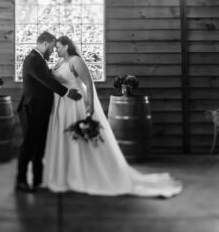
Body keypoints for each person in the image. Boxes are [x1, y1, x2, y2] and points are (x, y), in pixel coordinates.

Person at [43, 36, 182, 198]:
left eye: (58, 47)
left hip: (76, 105)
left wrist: (91, 107)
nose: (56, 50)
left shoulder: (75, 61)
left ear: (67, 46)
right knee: (66, 139)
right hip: (63, 104)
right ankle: (68, 171)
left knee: (79, 139)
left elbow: (88, 83)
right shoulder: (60, 62)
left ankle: (85, 172)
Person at [16, 31, 82, 193]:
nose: (53, 52)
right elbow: (46, 80)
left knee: (39, 146)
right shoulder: (33, 59)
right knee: (29, 145)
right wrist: (67, 93)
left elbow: (48, 78)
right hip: (31, 108)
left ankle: (38, 179)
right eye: (52, 48)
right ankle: (21, 181)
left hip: (40, 109)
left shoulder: (39, 59)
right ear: (45, 44)